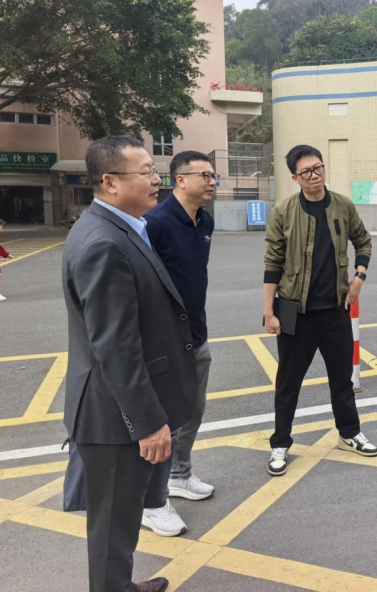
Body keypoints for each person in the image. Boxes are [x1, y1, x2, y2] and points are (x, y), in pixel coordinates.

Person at [62, 135, 199, 592]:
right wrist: (148, 423)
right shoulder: (104, 243)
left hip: (115, 408)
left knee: (118, 521)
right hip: (115, 418)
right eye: (146, 172)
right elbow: (115, 346)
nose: (157, 179)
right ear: (110, 182)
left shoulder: (119, 228)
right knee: (113, 528)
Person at [263, 144, 377, 476]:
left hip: (335, 309)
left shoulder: (342, 205)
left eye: (318, 168)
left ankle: (349, 433)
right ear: (295, 178)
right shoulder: (283, 212)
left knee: (342, 379)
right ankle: (280, 443)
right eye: (306, 172)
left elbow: (363, 241)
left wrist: (359, 276)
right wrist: (269, 312)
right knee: (288, 383)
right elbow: (272, 263)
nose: (314, 175)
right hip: (293, 310)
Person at [141, 151, 217, 537]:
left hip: (196, 336)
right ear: (180, 179)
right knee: (163, 423)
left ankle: (180, 475)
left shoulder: (206, 220)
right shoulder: (154, 223)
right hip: (164, 343)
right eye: (205, 175)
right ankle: (151, 502)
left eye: (213, 175)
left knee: (193, 410)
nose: (212, 181)